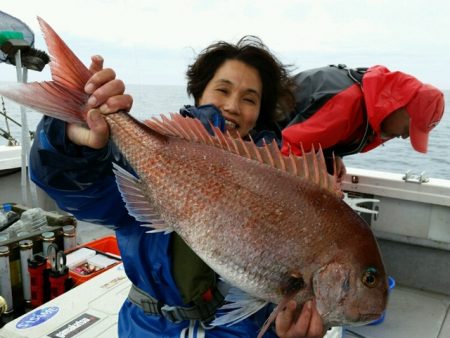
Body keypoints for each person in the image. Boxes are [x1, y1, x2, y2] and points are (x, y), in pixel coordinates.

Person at [29, 36, 332, 338]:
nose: (233, 106)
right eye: (222, 90)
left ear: (260, 112)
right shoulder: (153, 159)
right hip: (146, 328)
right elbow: (82, 193)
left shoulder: (281, 188)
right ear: (199, 94)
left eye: (250, 99)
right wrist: (68, 143)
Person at [280, 64, 445, 180]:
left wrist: (333, 156)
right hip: (264, 137)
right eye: (407, 130)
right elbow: (288, 148)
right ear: (400, 107)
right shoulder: (347, 103)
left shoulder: (373, 106)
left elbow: (322, 132)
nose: (404, 137)